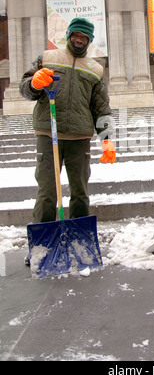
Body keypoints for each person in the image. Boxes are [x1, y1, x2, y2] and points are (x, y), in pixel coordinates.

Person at [20, 17, 115, 231]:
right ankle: (42, 243)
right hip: (48, 134)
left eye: (84, 37)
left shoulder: (95, 68)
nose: (79, 39)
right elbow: (25, 87)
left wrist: (107, 139)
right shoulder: (47, 57)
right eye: (76, 35)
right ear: (68, 35)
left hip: (79, 139)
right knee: (47, 192)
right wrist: (34, 83)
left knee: (80, 192)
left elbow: (101, 107)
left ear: (89, 40)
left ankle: (79, 239)